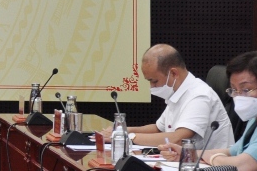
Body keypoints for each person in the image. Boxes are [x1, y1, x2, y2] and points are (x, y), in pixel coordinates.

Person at [99, 44, 234, 150]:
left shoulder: (199, 96)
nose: (152, 87)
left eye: (154, 81)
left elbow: (177, 139)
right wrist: (122, 130)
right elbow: (158, 128)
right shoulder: (178, 92)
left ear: (173, 73)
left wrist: (127, 137)